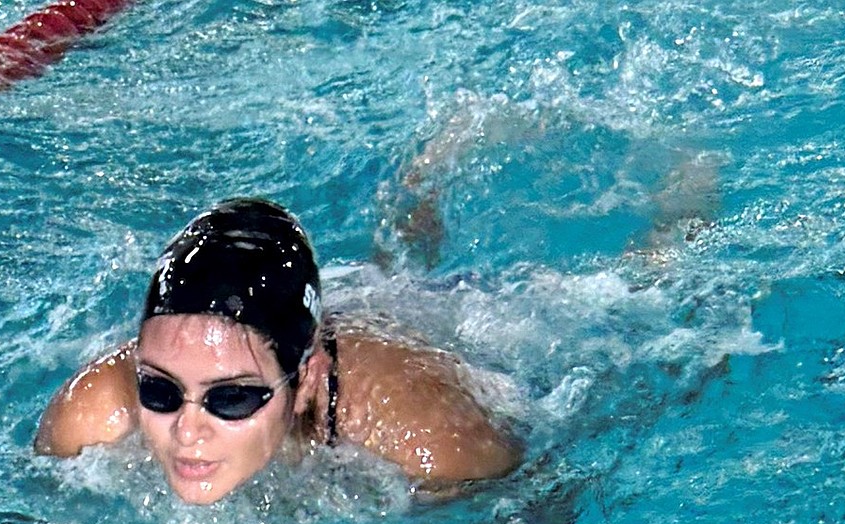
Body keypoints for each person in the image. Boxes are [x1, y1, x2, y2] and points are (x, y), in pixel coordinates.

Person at [34, 198, 522, 505]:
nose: (187, 429)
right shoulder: (87, 418)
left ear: (308, 379)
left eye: (232, 399)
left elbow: (534, 514)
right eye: (159, 390)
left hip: (449, 319)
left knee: (403, 275)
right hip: (292, 330)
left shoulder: (428, 432)